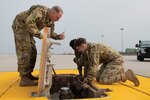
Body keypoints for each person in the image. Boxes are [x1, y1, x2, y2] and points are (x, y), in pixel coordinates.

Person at [12, 5, 65, 86]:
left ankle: (28, 75)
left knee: (33, 51)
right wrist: (41, 36)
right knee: (26, 50)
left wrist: (58, 36)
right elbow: (29, 22)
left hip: (28, 30)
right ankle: (24, 79)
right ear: (52, 12)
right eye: (58, 17)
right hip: (20, 26)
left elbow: (50, 33)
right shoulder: (40, 11)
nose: (58, 20)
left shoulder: (50, 21)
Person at [74, 37, 140, 86]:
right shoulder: (87, 51)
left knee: (104, 80)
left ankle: (126, 75)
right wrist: (86, 78)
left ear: (83, 45)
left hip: (116, 60)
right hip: (107, 62)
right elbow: (87, 64)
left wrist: (88, 82)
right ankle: (117, 71)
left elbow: (93, 66)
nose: (79, 51)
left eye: (79, 49)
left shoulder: (93, 50)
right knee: (98, 78)